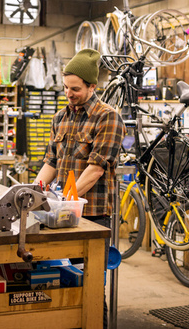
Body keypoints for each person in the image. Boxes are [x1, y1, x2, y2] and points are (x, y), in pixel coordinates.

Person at [34, 48, 124, 326]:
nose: (69, 93)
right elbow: (51, 161)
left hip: (91, 216)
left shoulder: (108, 117)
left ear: (92, 86)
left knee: (91, 284)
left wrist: (62, 199)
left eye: (75, 89)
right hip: (60, 213)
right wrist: (33, 193)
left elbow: (96, 169)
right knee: (60, 281)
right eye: (65, 87)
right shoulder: (60, 117)